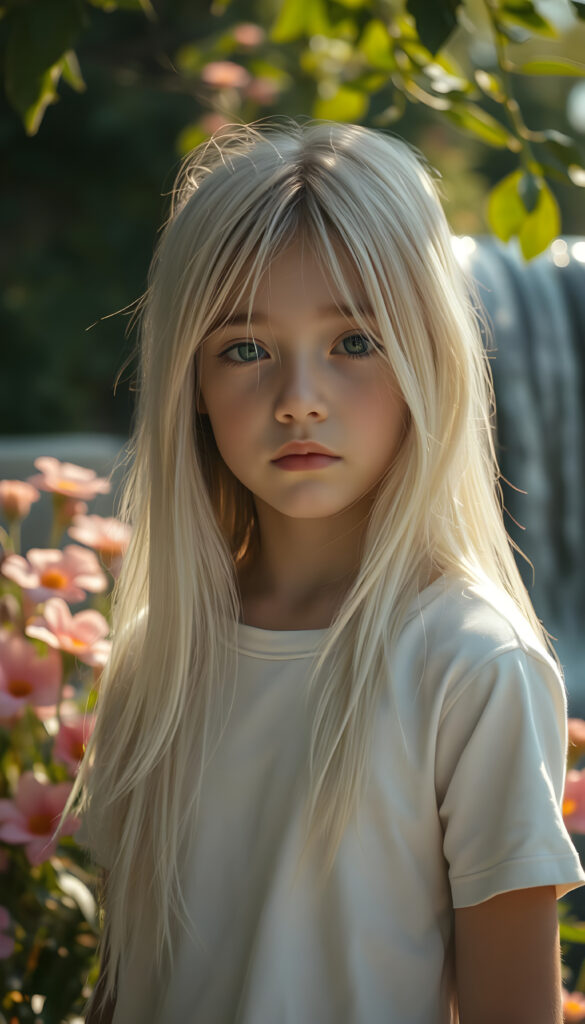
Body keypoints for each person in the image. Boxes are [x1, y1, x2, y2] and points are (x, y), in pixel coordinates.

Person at [64, 117, 585, 1023]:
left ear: (430, 357)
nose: (298, 398)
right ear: (189, 384)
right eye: (244, 349)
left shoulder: (471, 665)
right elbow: (124, 980)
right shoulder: (160, 652)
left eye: (353, 342)